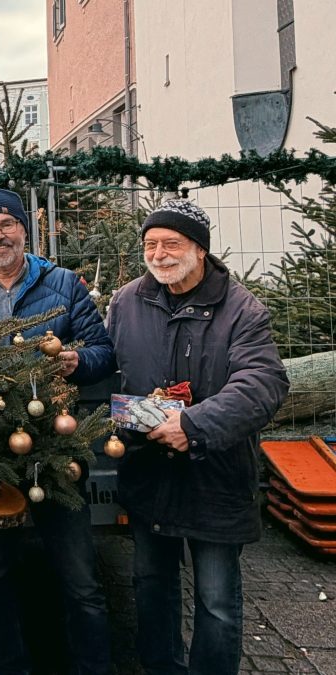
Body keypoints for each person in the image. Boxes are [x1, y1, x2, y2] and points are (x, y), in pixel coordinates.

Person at [0, 187, 115, 675]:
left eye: (6, 225)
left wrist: (78, 361)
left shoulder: (63, 285)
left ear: (23, 230)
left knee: (80, 580)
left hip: (56, 452)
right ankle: (9, 666)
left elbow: (103, 350)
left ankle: (92, 667)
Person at [107, 200, 289, 675]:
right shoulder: (127, 301)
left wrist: (194, 425)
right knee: (151, 584)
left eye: (172, 243)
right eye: (151, 244)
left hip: (215, 477)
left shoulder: (241, 308)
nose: (160, 254)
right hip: (150, 475)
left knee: (216, 602)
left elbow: (263, 383)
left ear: (199, 249)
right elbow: (110, 368)